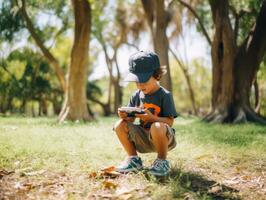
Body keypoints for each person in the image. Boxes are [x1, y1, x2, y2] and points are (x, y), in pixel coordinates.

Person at [113, 50, 178, 177]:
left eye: (144, 81)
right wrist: (125, 117)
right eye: (136, 81)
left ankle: (161, 161)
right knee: (119, 125)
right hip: (142, 138)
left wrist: (152, 118)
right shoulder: (136, 95)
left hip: (163, 139)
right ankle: (133, 160)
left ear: (157, 76)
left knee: (157, 126)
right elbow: (130, 122)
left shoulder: (165, 95)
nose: (140, 85)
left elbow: (170, 122)